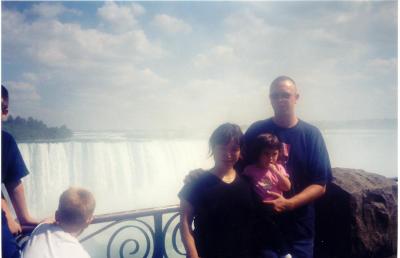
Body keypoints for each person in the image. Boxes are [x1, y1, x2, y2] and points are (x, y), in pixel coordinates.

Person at [241, 75, 332, 258]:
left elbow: (320, 184)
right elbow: (236, 163)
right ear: (269, 99)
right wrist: (204, 176)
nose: (280, 100)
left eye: (285, 95)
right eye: (275, 95)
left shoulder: (311, 134)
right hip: (264, 228)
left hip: (300, 231)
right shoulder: (257, 130)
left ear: (296, 98)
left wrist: (289, 204)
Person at [179, 123, 258, 258]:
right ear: (213, 148)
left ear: (240, 152)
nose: (228, 154)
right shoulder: (196, 183)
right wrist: (193, 254)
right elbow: (185, 222)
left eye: (234, 149)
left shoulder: (248, 182)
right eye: (222, 148)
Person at [2, 85, 39, 258]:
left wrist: (23, 218)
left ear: (4, 111)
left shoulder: (6, 141)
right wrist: (7, 212)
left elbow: (13, 181)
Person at [242, 133, 291, 258]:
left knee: (276, 230)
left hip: (279, 210)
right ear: (258, 153)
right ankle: (283, 252)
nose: (270, 158)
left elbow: (287, 186)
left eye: (274, 154)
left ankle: (285, 252)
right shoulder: (250, 170)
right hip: (262, 210)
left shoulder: (279, 168)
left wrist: (275, 171)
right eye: (266, 154)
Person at [22, 187, 95, 258]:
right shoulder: (81, 254)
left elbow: (47, 220)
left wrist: (58, 217)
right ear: (88, 222)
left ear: (56, 215)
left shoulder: (41, 228)